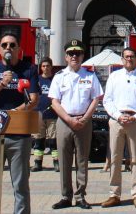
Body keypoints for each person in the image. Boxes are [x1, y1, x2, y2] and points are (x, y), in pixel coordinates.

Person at [0, 33, 39, 214]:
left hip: (19, 137)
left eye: (12, 45)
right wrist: (2, 83)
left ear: (19, 49)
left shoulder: (29, 69)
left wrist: (15, 113)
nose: (8, 48)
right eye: (4, 45)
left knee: (20, 186)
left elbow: (33, 99)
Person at [48, 39, 103, 211]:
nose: (74, 56)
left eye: (77, 53)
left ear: (82, 56)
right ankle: (66, 196)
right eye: (71, 54)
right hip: (65, 121)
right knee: (64, 160)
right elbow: (54, 101)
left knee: (82, 160)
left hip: (83, 122)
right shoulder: (59, 77)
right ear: (65, 57)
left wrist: (86, 118)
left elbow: (96, 99)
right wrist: (68, 119)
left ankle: (80, 196)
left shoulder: (90, 76)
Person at [101, 48, 136, 209]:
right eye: (126, 57)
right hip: (117, 121)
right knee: (115, 159)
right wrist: (117, 115)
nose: (129, 59)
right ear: (122, 59)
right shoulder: (114, 76)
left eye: (132, 56)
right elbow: (107, 100)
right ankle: (114, 194)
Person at [32, 57, 59, 172]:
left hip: (53, 114)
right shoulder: (37, 80)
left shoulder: (55, 80)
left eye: (48, 66)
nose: (45, 68)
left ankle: (56, 162)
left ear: (51, 67)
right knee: (38, 139)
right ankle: (38, 162)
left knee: (53, 140)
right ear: (41, 67)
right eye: (43, 66)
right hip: (39, 113)